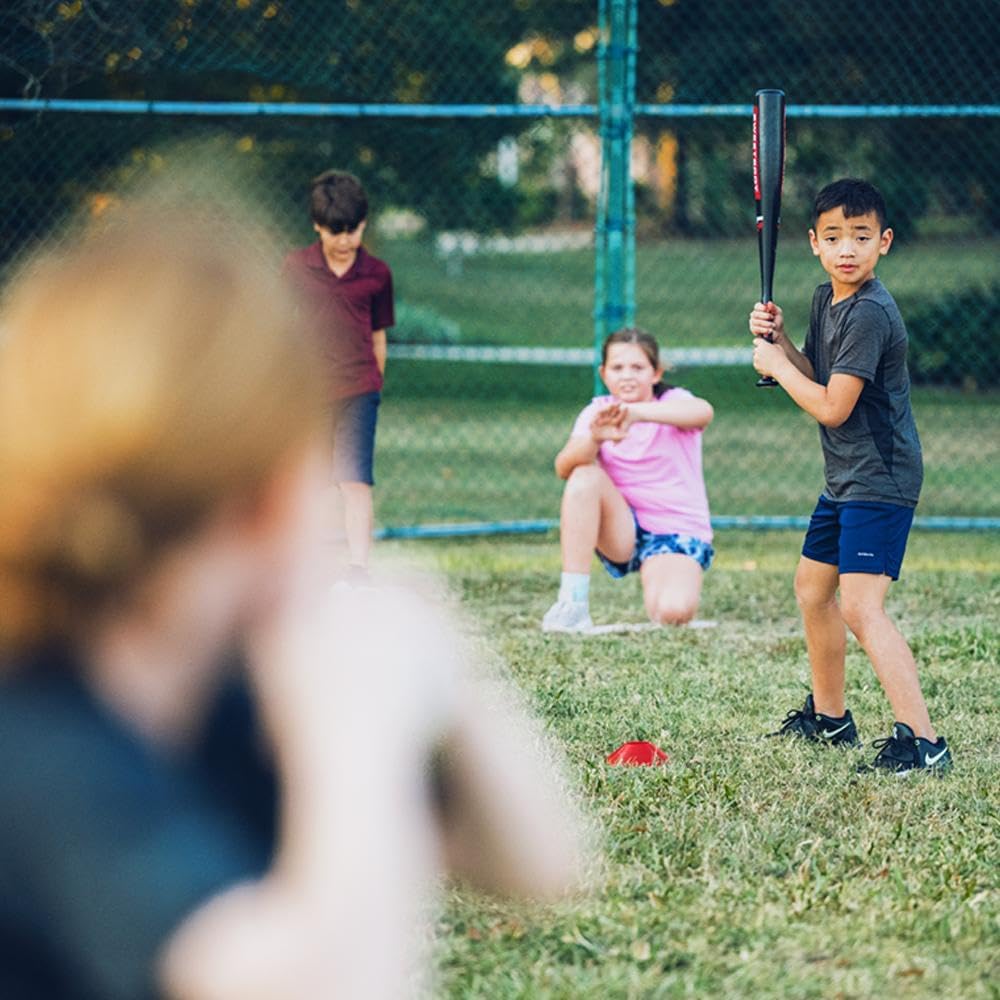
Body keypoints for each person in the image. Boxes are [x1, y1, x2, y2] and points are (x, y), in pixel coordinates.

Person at [0, 184, 587, 1000]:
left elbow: (539, 862)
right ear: (271, 492)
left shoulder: (213, 684)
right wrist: (355, 728)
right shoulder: (37, 736)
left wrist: (442, 667)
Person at [748, 177, 951, 775]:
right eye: (834, 236)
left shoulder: (871, 312)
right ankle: (832, 719)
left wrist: (776, 371)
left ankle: (924, 742)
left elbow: (833, 405)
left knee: (862, 607)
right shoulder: (826, 299)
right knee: (813, 590)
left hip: (880, 479)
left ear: (883, 242)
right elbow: (822, 372)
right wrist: (782, 342)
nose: (847, 249)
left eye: (861, 237)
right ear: (813, 242)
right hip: (845, 477)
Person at [541, 327, 715, 633]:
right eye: (618, 368)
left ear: (656, 373)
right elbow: (564, 466)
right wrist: (594, 438)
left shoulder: (674, 401)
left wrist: (635, 413)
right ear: (604, 374)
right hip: (623, 530)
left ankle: (666, 586)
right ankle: (572, 604)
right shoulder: (596, 413)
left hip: (674, 532)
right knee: (584, 475)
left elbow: (703, 412)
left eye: (637, 367)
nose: (627, 376)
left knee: (672, 613)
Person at [284, 170, 393, 582]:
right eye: (335, 231)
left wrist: (374, 385)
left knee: (354, 481)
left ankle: (357, 569)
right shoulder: (295, 268)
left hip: (358, 392)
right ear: (317, 225)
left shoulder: (378, 274)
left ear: (364, 224)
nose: (345, 240)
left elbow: (378, 336)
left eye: (353, 230)